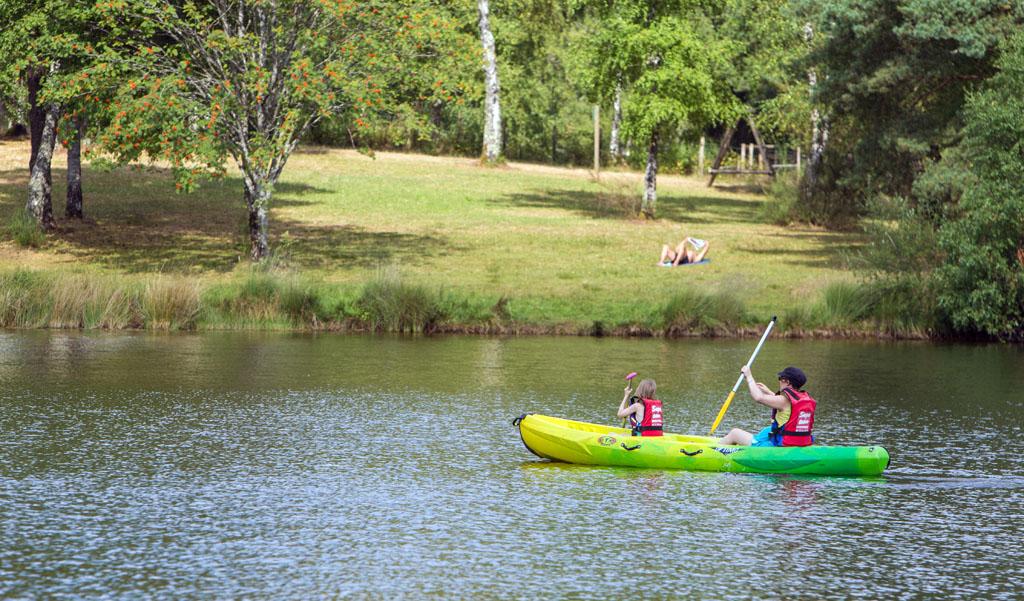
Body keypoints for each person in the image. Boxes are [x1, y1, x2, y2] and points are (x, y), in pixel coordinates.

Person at [718, 365, 816, 447]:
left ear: (787, 382)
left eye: (780, 379)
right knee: (768, 430)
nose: (779, 381)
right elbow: (786, 407)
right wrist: (768, 391)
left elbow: (758, 397)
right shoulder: (800, 399)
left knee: (735, 433)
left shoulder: (783, 400)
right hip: (798, 441)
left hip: (781, 445)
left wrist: (749, 377)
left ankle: (715, 450)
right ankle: (748, 441)